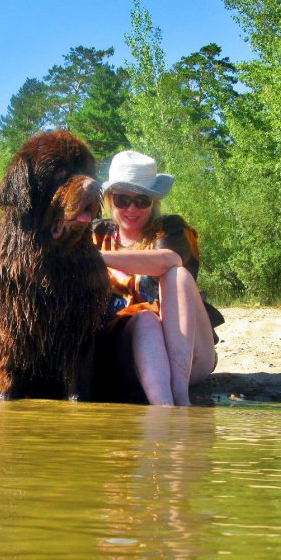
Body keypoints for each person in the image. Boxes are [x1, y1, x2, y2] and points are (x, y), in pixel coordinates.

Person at [93, 150, 223, 406]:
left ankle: (179, 394)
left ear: (153, 201)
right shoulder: (96, 235)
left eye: (141, 200)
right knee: (145, 321)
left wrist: (97, 258)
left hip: (188, 355)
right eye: (122, 200)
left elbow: (169, 260)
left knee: (178, 275)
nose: (132, 209)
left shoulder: (171, 229)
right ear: (110, 200)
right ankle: (167, 409)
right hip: (129, 352)